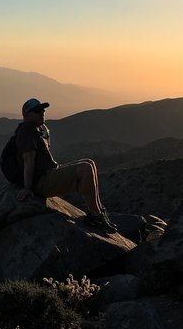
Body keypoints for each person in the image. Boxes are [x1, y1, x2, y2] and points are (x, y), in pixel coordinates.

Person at [15, 97, 118, 233]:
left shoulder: (37, 130)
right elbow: (28, 160)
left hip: (47, 175)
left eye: (42, 110)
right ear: (26, 115)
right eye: (37, 111)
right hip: (40, 182)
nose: (42, 113)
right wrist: (27, 187)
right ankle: (96, 216)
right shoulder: (27, 130)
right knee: (86, 169)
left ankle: (99, 212)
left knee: (89, 163)